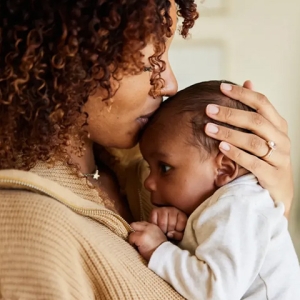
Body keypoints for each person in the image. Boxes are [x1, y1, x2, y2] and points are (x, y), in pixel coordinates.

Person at [0, 0, 294, 299]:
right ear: (65, 61)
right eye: (147, 63)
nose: (169, 84)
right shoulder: (26, 230)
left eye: (166, 57)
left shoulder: (150, 169)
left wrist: (273, 203)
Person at [129, 81, 300, 300]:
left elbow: (217, 291)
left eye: (164, 168)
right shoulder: (232, 204)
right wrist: (185, 234)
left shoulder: (238, 205)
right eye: (148, 167)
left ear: (224, 169)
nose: (148, 183)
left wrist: (160, 249)